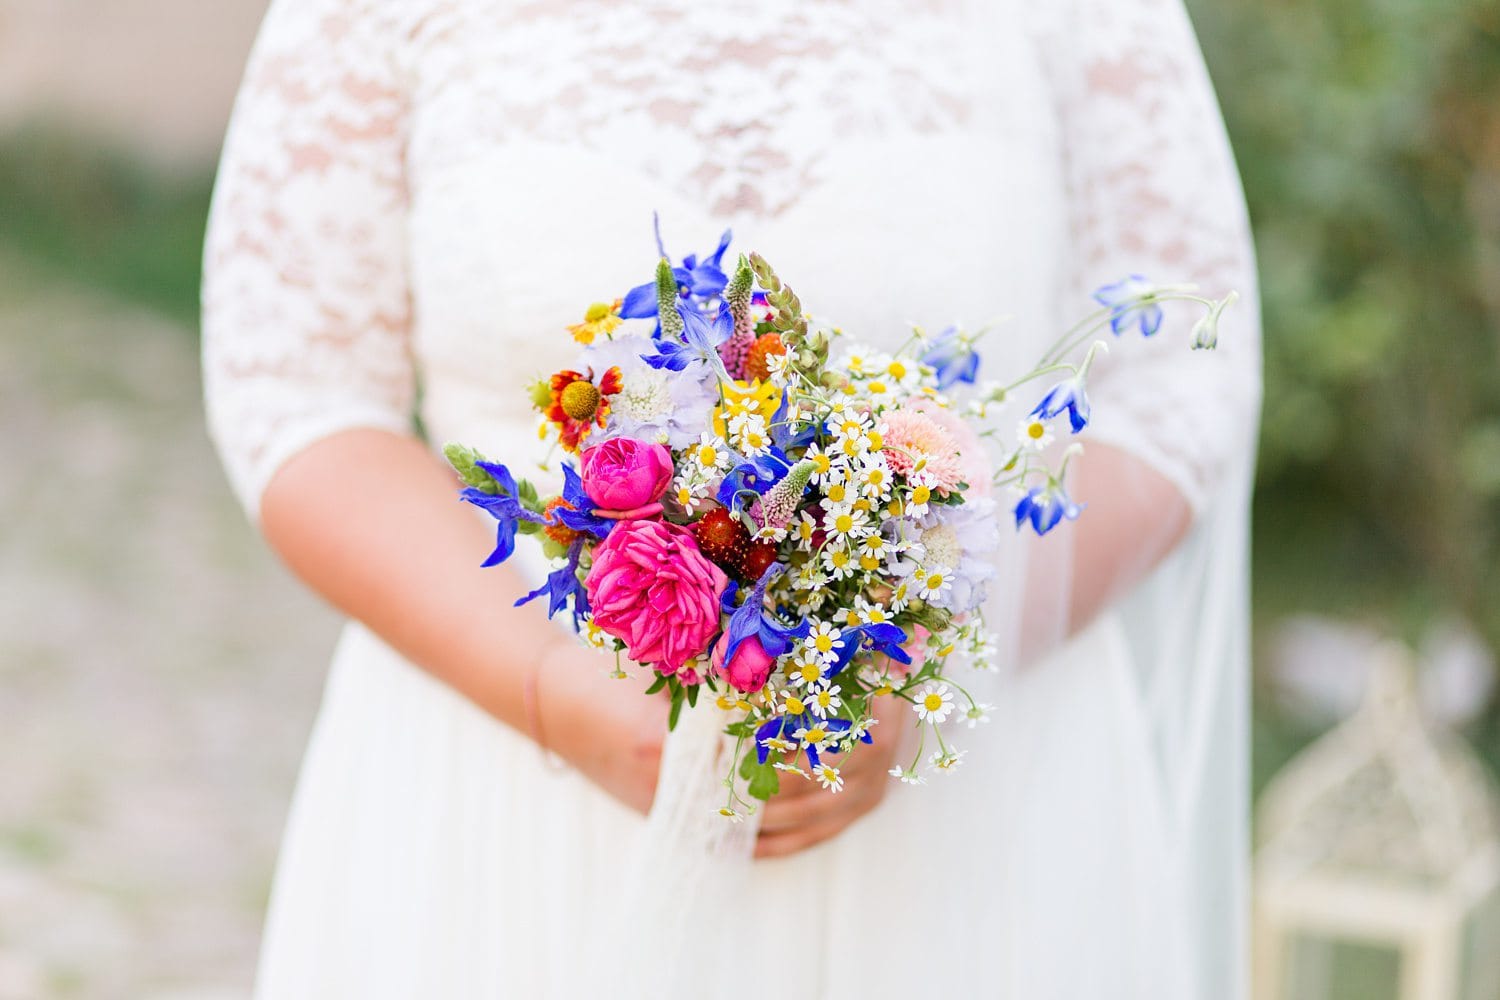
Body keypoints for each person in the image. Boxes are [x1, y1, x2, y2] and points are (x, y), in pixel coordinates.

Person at [202, 0, 1261, 996]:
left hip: (964, 815)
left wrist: (931, 658)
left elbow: (1178, 369)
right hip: (512, 792)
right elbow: (293, 383)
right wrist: (548, 688)